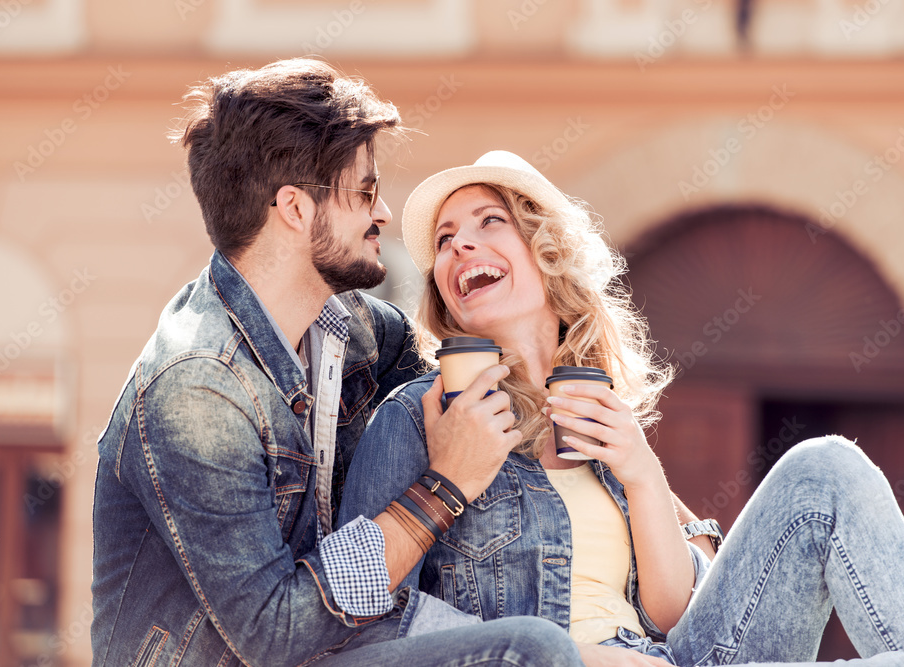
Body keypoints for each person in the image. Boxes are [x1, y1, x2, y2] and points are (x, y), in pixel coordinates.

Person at [338, 150, 904, 667]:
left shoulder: (596, 412)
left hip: (673, 657)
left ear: (546, 248)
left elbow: (674, 613)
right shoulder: (419, 416)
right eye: (445, 242)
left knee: (825, 469)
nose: (459, 249)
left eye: (487, 223)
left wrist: (641, 470)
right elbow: (366, 619)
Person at [90, 61, 589, 667]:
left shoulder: (356, 333)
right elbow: (274, 633)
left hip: (352, 645)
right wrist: (444, 490)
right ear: (296, 209)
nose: (382, 215)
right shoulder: (198, 388)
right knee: (528, 652)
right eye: (366, 193)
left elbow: (485, 385)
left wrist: (637, 476)